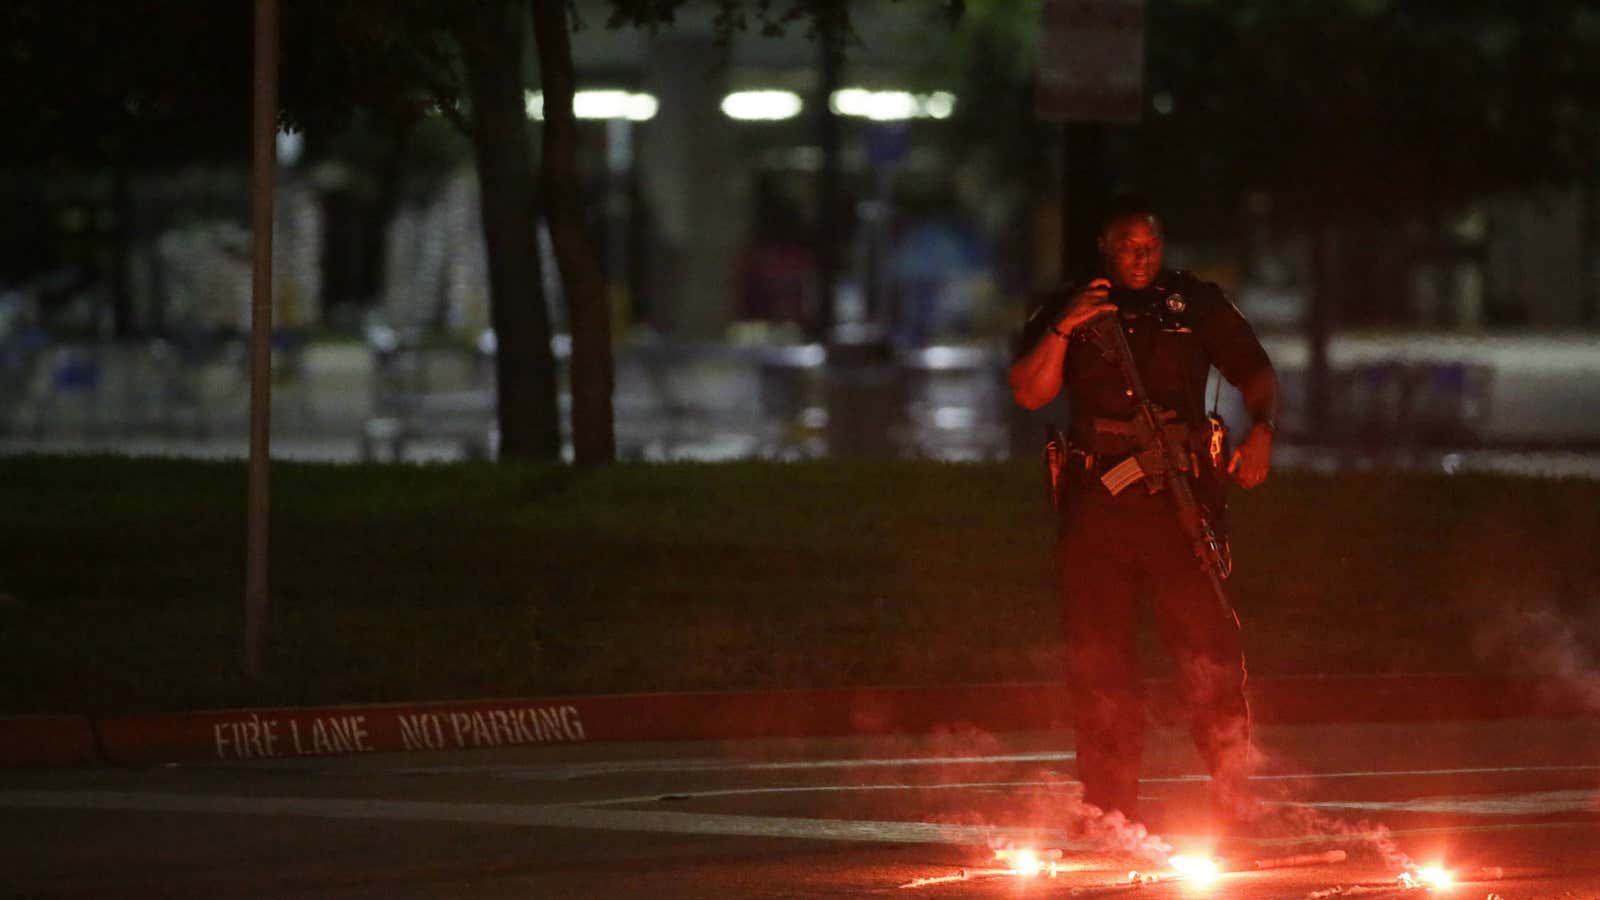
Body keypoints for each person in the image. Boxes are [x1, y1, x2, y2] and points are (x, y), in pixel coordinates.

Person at [1008, 196, 1280, 833]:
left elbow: (1256, 370)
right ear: (1106, 245)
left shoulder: (1192, 304)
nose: (1141, 257)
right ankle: (1108, 812)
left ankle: (1234, 798)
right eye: (1129, 246)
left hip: (1177, 504)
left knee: (1209, 650)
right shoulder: (1070, 305)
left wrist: (1263, 429)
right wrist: (1064, 326)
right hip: (1097, 507)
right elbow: (1029, 392)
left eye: (1151, 246)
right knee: (1099, 661)